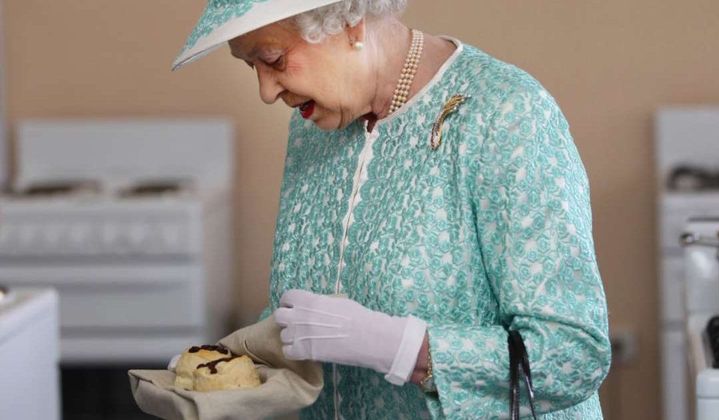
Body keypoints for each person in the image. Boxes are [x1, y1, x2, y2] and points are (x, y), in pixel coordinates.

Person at [174, 0, 611, 418]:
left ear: (351, 24)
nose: (266, 91)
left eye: (273, 60)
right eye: (251, 67)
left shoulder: (506, 114)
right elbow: (313, 324)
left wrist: (402, 347)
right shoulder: (314, 128)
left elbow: (573, 353)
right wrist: (234, 364)